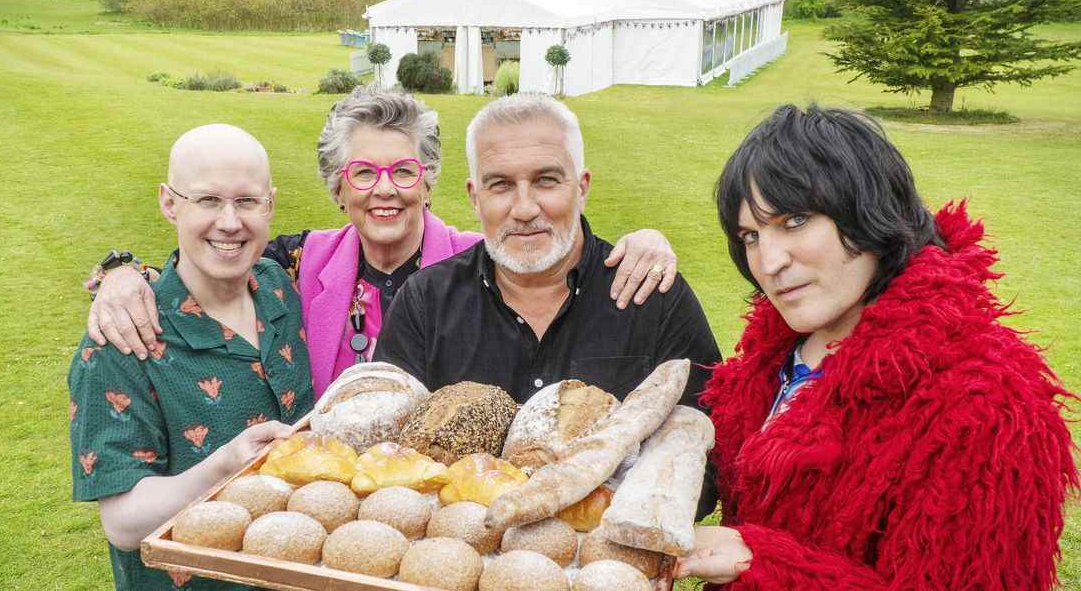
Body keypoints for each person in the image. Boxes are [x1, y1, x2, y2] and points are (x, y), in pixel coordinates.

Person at [672, 105, 1078, 589]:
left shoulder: (986, 408)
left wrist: (766, 564)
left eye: (796, 220)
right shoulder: (769, 361)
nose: (769, 261)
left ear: (869, 212)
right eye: (751, 235)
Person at [89, 87, 683, 396]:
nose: (385, 191)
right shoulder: (299, 261)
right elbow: (214, 254)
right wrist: (122, 273)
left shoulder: (482, 264)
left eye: (403, 171)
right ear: (337, 187)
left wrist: (647, 241)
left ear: (428, 181)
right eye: (363, 173)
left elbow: (547, 239)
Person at [373, 94, 723, 518]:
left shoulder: (652, 297)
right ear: (474, 197)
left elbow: (704, 469)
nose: (524, 209)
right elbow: (387, 461)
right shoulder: (425, 302)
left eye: (546, 180)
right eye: (500, 184)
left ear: (583, 187)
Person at [69, 124, 308, 590]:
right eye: (207, 200)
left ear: (270, 204)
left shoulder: (279, 284)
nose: (230, 222)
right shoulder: (120, 340)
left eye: (247, 201)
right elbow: (123, 524)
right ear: (168, 202)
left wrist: (120, 269)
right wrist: (224, 466)